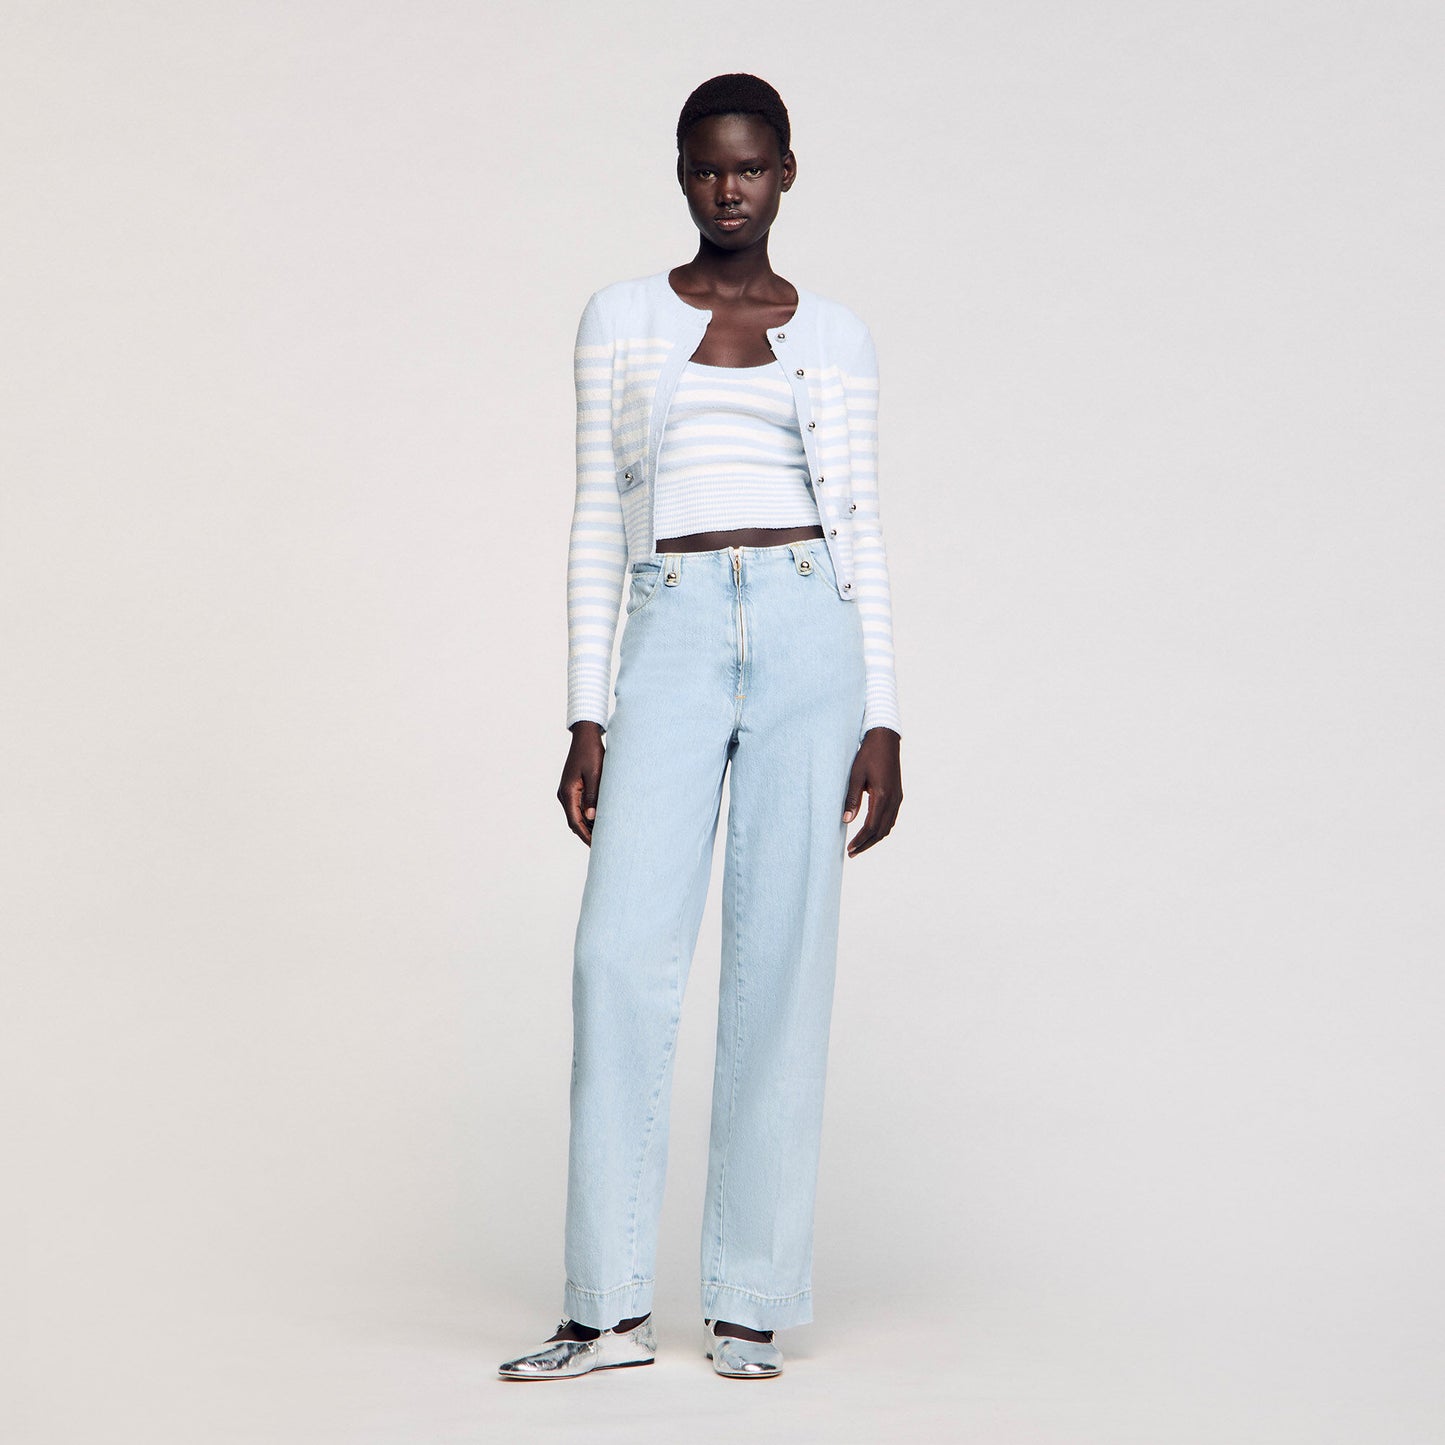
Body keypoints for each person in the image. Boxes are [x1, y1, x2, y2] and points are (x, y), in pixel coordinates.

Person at [498, 72, 902, 1382]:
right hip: (670, 625)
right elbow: (591, 517)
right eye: (707, 168)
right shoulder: (620, 318)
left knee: (781, 962)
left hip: (806, 626)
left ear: (787, 173)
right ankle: (605, 1309)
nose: (729, 188)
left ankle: (748, 1300)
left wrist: (883, 714)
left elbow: (861, 527)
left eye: (751, 167)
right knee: (618, 959)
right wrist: (585, 710)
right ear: (682, 174)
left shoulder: (834, 334)